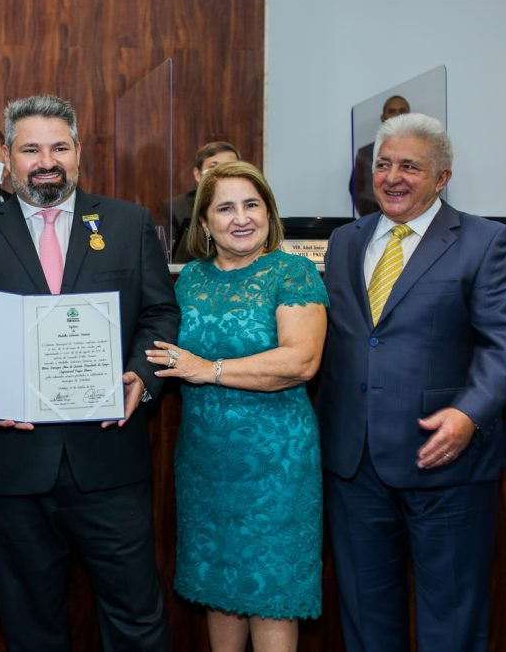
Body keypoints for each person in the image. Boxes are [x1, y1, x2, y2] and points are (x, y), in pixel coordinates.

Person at [0, 93, 179, 651]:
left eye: (59, 147)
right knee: (30, 626)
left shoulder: (127, 222)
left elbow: (161, 312)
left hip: (109, 460)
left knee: (136, 619)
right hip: (14, 466)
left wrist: (143, 376)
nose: (46, 160)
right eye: (30, 149)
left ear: (77, 152)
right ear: (7, 158)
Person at [317, 113, 506, 652]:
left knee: (451, 618)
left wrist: (468, 414)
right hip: (355, 462)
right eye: (383, 164)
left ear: (442, 177)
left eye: (409, 166)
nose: (392, 177)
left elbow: (505, 343)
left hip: (446, 458)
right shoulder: (345, 241)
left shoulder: (484, 241)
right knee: (365, 615)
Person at [149, 161, 327, 652]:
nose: (241, 217)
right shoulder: (189, 280)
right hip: (205, 461)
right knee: (219, 589)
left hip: (276, 464)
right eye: (225, 208)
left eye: (252, 204)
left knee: (270, 593)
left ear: (269, 213)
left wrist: (208, 369)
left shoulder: (293, 270)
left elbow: (301, 360)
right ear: (204, 223)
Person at [170, 141, 241, 263]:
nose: (222, 172)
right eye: (214, 166)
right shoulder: (175, 208)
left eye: (230, 166)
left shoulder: (249, 204)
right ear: (198, 174)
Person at [351, 95, 410, 216]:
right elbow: (357, 190)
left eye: (402, 111)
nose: (397, 115)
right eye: (392, 111)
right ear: (383, 117)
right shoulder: (365, 153)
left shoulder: (423, 152)